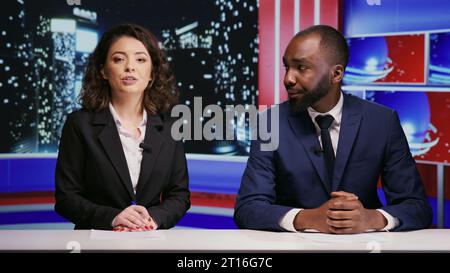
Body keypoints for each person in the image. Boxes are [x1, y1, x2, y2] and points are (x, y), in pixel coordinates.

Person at [234, 25, 432, 233]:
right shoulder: (270, 123)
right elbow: (248, 209)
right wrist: (307, 218)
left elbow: (417, 208)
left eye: (301, 68)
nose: (288, 79)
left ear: (336, 74)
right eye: (287, 67)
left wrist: (372, 218)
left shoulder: (382, 121)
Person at [55, 23, 190, 231]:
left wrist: (152, 219)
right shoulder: (79, 124)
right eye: (119, 59)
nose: (130, 67)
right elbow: (66, 198)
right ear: (103, 71)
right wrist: (113, 217)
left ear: (152, 73)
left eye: (140, 59)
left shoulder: (170, 126)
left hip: (149, 241)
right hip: (96, 241)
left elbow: (180, 195)